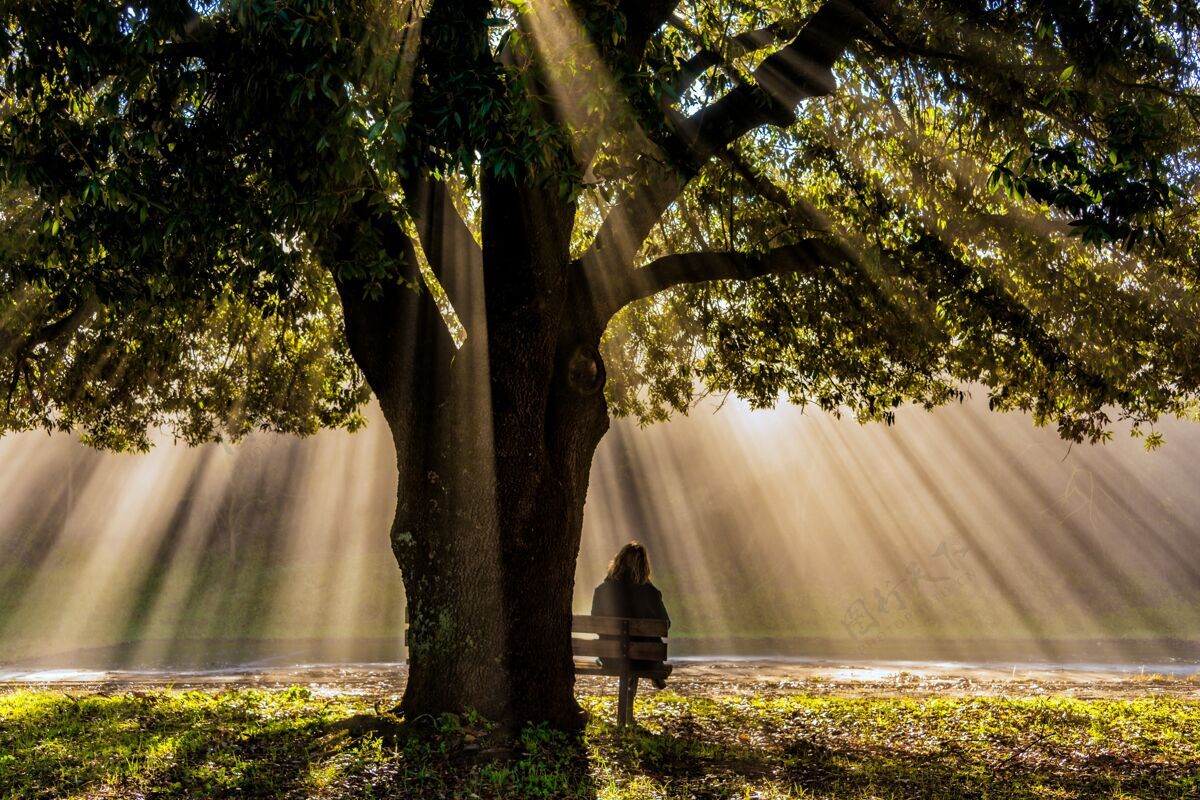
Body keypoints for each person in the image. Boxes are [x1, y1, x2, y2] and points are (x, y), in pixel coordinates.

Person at [590, 541, 671, 689]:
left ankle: (654, 672)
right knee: (640, 651)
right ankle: (656, 671)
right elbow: (666, 624)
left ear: (618, 562)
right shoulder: (651, 593)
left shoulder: (602, 590)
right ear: (644, 566)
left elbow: (596, 625)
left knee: (627, 650)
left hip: (611, 657)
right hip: (646, 659)